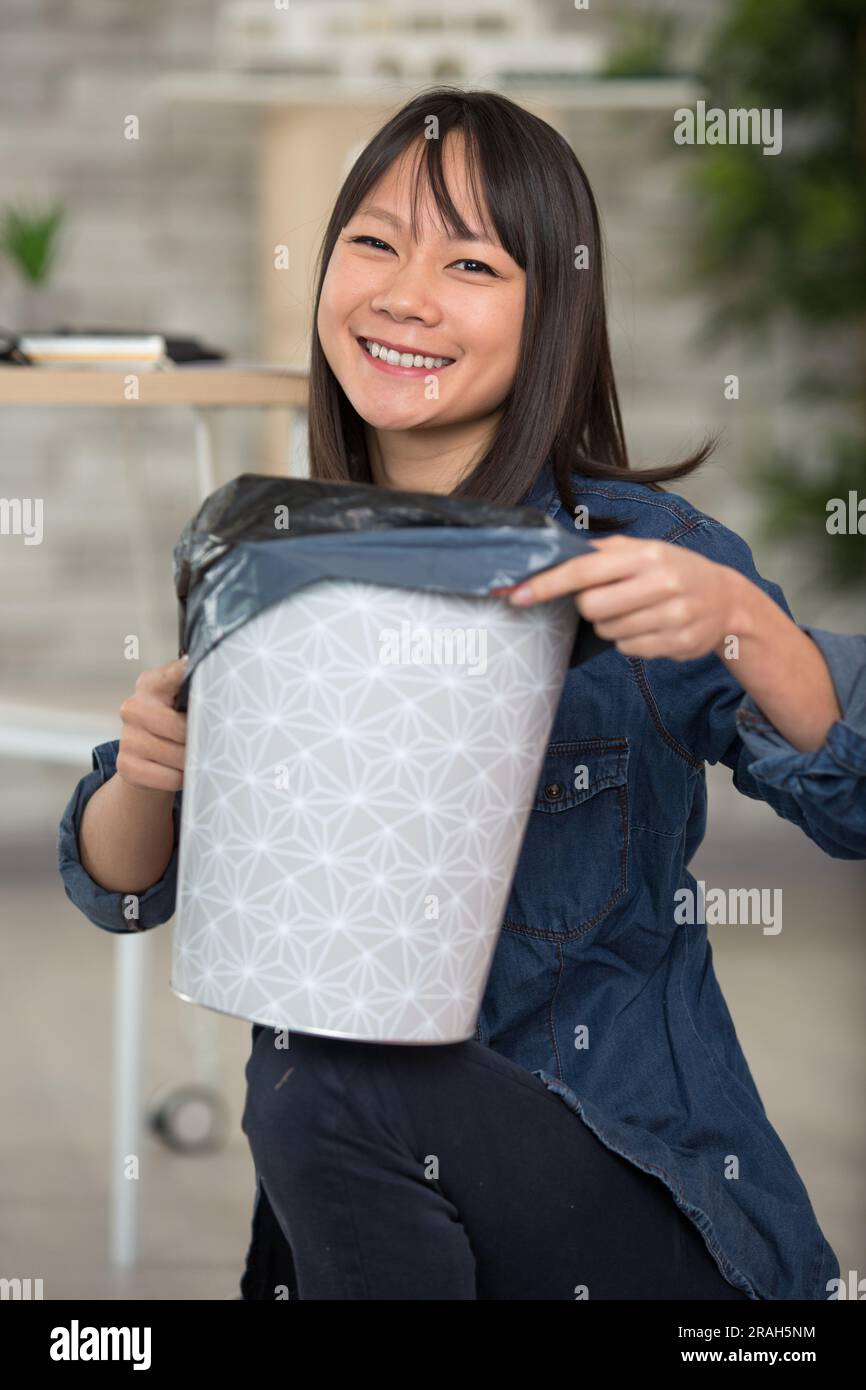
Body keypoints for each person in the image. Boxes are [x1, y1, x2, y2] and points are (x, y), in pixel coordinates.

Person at [59, 87, 866, 1301]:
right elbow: (121, 890)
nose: (403, 294)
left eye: (470, 262)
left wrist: (748, 626)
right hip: (381, 1223)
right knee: (312, 1054)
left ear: (551, 310)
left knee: (322, 1063)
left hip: (637, 1208)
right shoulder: (267, 555)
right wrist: (145, 773)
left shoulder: (640, 557)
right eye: (373, 243)